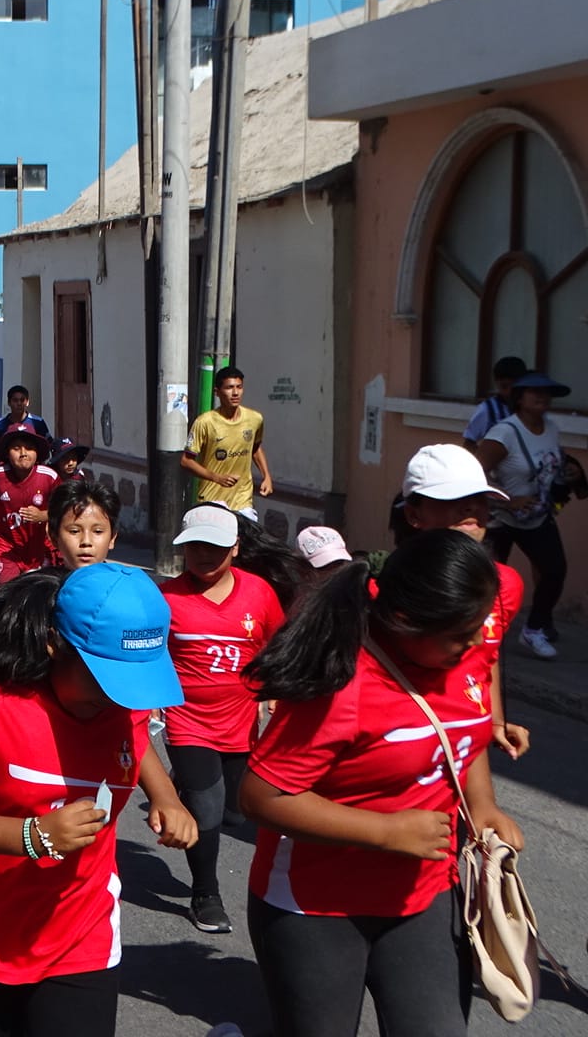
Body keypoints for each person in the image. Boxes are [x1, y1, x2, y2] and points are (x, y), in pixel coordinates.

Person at [240, 530, 524, 1037]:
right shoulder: (342, 682)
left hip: (424, 896)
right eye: (462, 634)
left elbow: (468, 732)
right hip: (316, 905)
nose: (479, 643)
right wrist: (386, 832)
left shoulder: (465, 654)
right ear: (408, 621)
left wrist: (483, 807)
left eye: (480, 625)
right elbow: (261, 796)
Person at [0, 565, 195, 1037]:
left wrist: (166, 796)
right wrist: (30, 836)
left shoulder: (122, 703)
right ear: (55, 645)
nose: (121, 698)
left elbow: (135, 736)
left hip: (83, 930)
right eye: (107, 678)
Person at [158, 503, 285, 935]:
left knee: (235, 814)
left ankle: (186, 785)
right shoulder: (167, 598)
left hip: (240, 723)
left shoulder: (259, 593)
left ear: (234, 548)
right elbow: (149, 657)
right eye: (195, 546)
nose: (204, 555)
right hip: (186, 721)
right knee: (207, 808)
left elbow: (276, 648)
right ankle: (205, 894)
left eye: (214, 547)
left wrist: (275, 695)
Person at [400, 444, 531, 759]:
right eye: (453, 500)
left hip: (466, 744)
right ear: (413, 515)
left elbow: (488, 653)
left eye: (479, 499)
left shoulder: (506, 584)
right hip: (404, 747)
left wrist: (494, 721)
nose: (471, 508)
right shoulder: (388, 589)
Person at [476, 372, 573, 659]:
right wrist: (508, 501)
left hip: (537, 517)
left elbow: (554, 461)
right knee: (487, 580)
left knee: (555, 571)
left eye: (547, 394)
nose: (542, 398)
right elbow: (474, 473)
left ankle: (534, 629)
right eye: (534, 392)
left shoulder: (552, 428)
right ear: (520, 398)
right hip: (498, 521)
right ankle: (476, 631)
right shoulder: (505, 433)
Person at [0, 423, 59, 588]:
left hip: (37, 548)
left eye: (29, 448)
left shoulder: (49, 477)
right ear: (7, 453)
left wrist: (43, 516)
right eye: (17, 448)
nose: (23, 453)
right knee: (6, 590)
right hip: (4, 544)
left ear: (37, 453)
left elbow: (65, 508)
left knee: (36, 594)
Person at [181, 366, 273, 520]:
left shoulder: (254, 419)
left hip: (243, 502)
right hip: (212, 501)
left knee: (244, 542)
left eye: (239, 387)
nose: (235, 393)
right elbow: (186, 461)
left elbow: (255, 448)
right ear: (217, 392)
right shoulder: (205, 422)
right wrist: (216, 477)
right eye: (230, 388)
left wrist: (267, 476)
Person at [47, 479, 121, 571]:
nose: (86, 542)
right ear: (54, 537)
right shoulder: (39, 584)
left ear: (112, 538)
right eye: (74, 531)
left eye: (97, 531)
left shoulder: (125, 584)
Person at [462, 355, 527, 451]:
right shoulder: (487, 409)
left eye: (514, 387)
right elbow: (469, 443)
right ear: (496, 383)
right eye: (504, 386)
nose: (509, 392)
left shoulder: (529, 407)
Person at [0, 385, 51, 471]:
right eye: (15, 400)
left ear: (27, 402)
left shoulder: (38, 423)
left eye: (22, 400)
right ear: (9, 402)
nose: (19, 403)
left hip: (31, 469)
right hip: (6, 470)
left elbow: (47, 446)